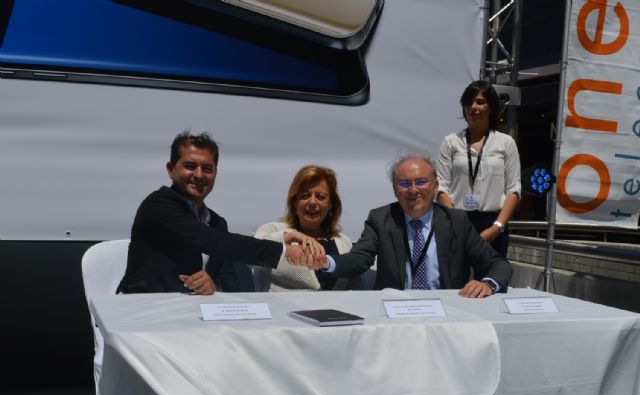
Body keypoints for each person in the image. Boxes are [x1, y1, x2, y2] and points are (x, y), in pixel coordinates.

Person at [117, 131, 323, 295]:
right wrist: (284, 251)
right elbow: (214, 242)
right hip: (142, 313)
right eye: (190, 166)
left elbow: (230, 277)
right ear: (171, 169)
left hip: (190, 319)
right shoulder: (158, 206)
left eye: (207, 168)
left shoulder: (215, 222)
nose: (198, 175)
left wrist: (213, 286)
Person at [321, 154, 512, 298]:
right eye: (404, 184)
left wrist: (488, 284)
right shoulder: (381, 219)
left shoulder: (456, 221)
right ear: (395, 191)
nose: (413, 190)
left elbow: (498, 264)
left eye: (421, 182)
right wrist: (326, 262)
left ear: (435, 186)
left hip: (446, 311)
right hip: (396, 312)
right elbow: (359, 258)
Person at [435, 80, 521, 258]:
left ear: (491, 107)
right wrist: (455, 223)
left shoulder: (506, 143)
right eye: (469, 102)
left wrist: (497, 228)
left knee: (490, 282)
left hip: (493, 223)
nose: (473, 107)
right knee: (455, 283)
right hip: (458, 222)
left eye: (480, 102)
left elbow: (514, 190)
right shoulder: (451, 142)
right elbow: (441, 187)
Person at [254, 165, 355, 291]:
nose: (312, 202)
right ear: (295, 203)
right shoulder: (272, 230)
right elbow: (250, 257)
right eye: (305, 196)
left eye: (320, 197)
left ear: (330, 205)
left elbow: (354, 289)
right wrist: (287, 237)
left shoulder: (344, 242)